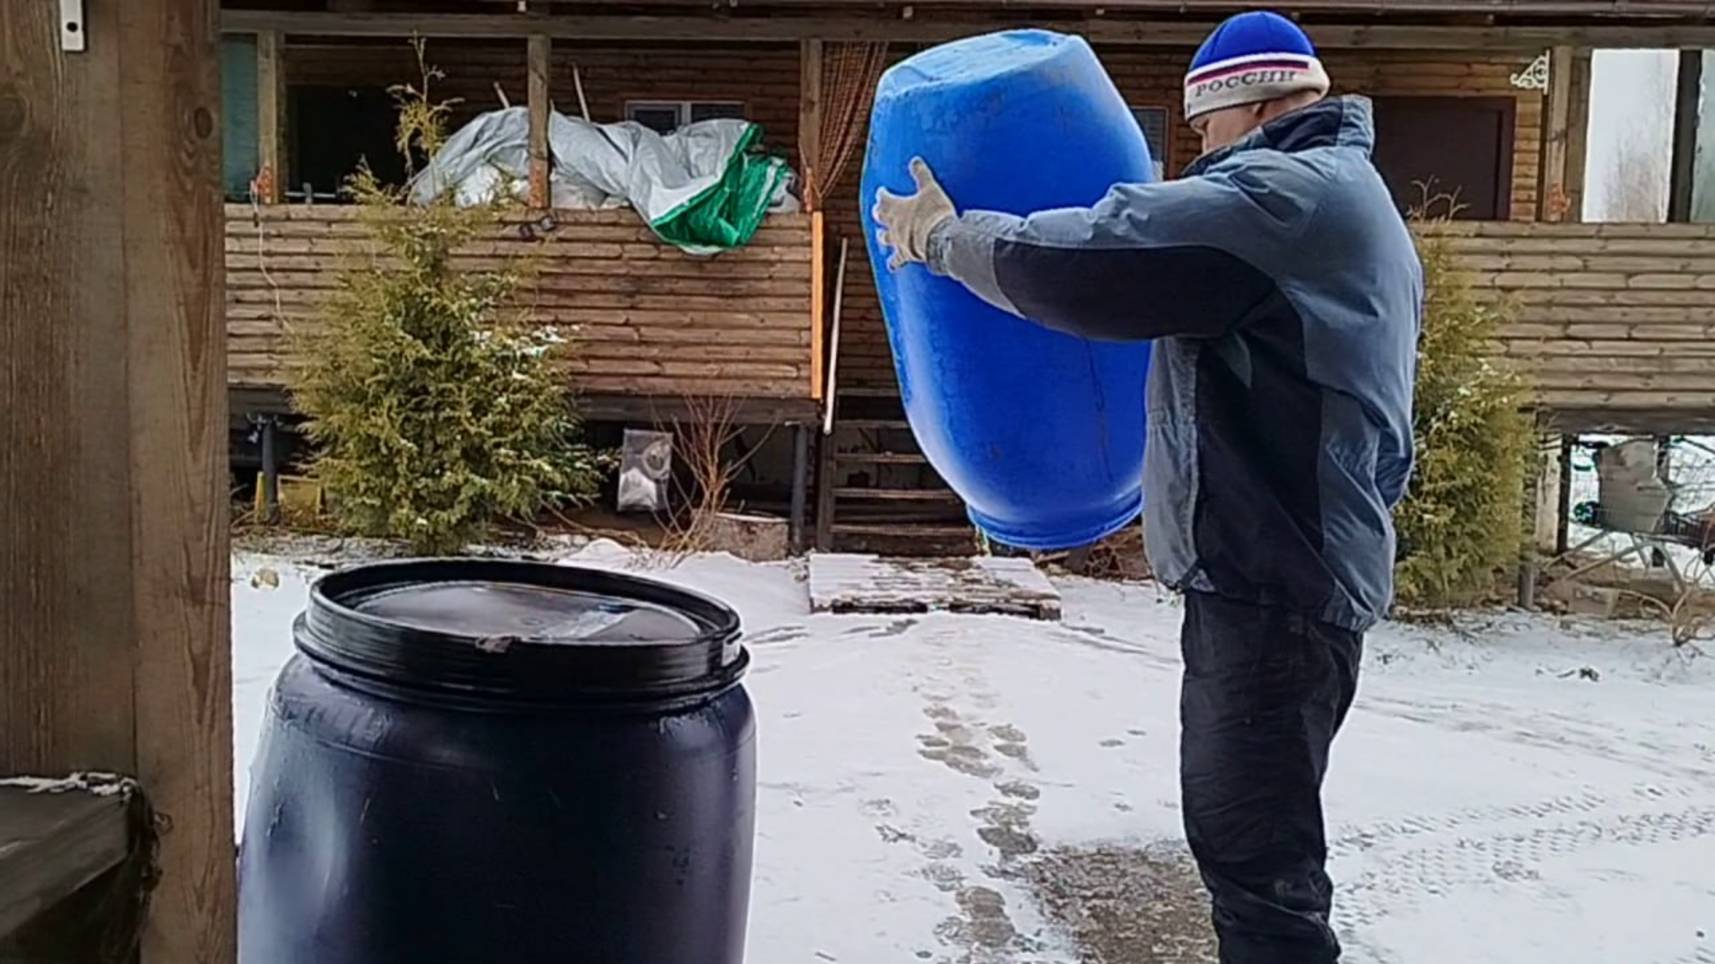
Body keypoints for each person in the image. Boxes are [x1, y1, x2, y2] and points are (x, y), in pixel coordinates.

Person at [871, 10, 1420, 963]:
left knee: (1261, 870)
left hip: (1274, 582)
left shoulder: (1281, 197)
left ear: (1239, 106)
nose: (1198, 152)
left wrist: (943, 236)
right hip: (1287, 571)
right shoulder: (1338, 194)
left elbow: (1081, 264)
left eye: (1199, 130)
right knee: (1258, 854)